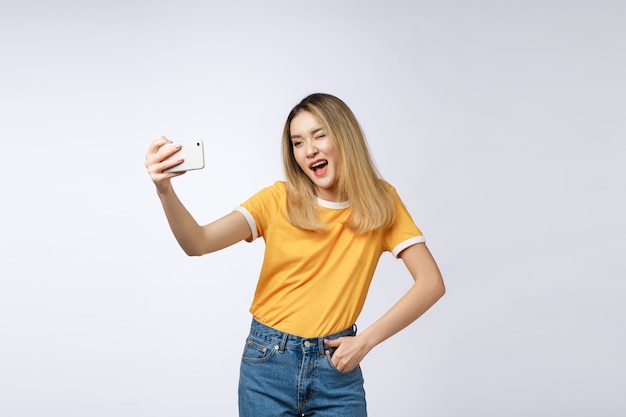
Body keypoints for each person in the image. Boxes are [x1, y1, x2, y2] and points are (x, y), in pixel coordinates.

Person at [144, 93, 445, 417]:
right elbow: (197, 242)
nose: (309, 150)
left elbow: (430, 283)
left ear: (345, 137)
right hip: (268, 364)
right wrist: (165, 191)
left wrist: (366, 341)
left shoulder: (381, 201)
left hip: (337, 371)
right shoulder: (277, 200)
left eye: (319, 135)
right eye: (297, 142)